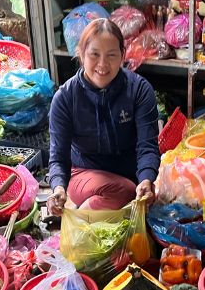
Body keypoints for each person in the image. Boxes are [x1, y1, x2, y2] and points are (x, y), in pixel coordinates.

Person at [47, 19, 160, 216]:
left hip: (134, 175)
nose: (102, 64)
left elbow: (147, 146)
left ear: (123, 56)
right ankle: (81, 220)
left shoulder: (139, 90)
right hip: (84, 174)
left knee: (148, 193)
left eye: (111, 55)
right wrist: (58, 189)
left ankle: (95, 211)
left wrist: (146, 179)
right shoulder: (65, 98)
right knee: (123, 191)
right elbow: (58, 158)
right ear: (81, 54)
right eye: (94, 54)